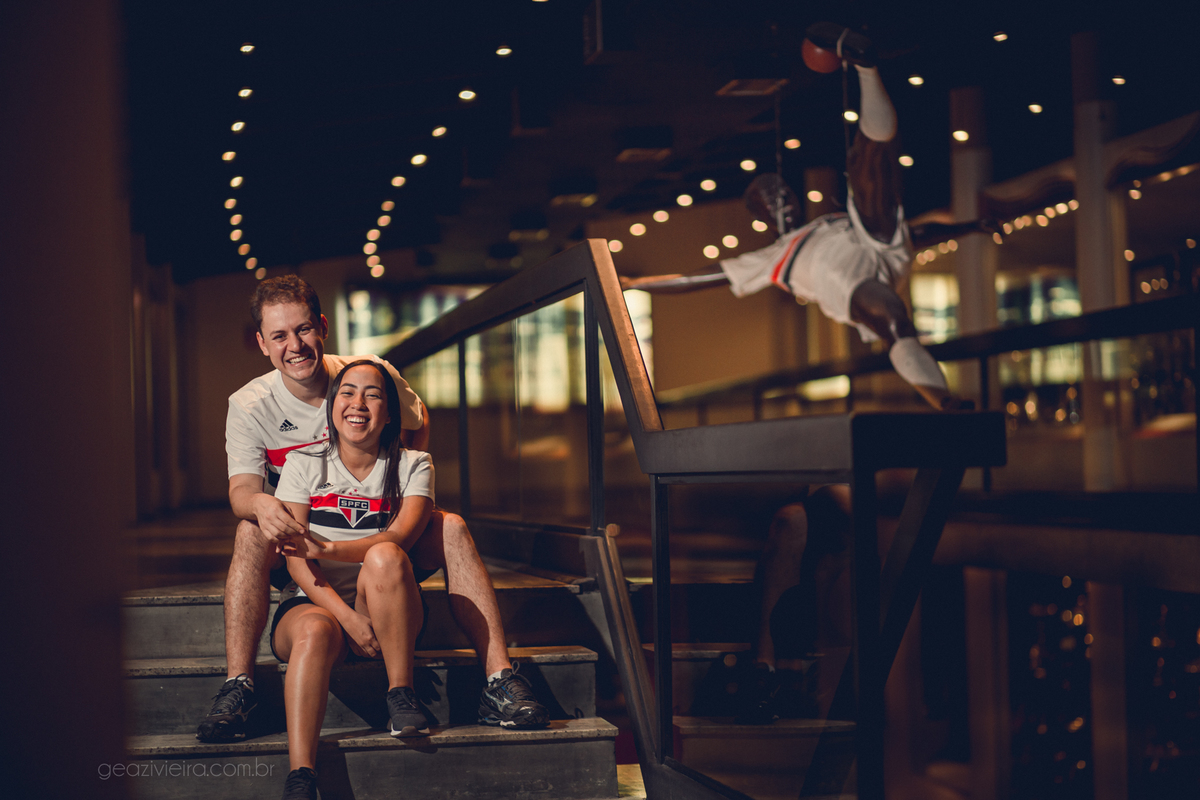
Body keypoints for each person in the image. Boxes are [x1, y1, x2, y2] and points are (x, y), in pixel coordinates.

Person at [196, 275, 547, 744]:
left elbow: (418, 421)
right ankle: (239, 686)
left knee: (452, 527)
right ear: (261, 342)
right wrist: (262, 502)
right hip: (307, 545)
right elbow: (241, 490)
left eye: (303, 330)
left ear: (322, 326)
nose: (294, 345)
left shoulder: (368, 374)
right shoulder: (249, 404)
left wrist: (401, 491)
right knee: (248, 530)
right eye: (279, 336)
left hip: (382, 543)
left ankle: (499, 679)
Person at [622, 22, 996, 412]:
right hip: (849, 282)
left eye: (782, 192)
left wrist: (967, 227)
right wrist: (635, 283)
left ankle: (866, 67)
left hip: (875, 241)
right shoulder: (773, 259)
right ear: (765, 217)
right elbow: (696, 279)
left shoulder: (825, 222)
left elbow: (916, 234)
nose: (783, 199)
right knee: (895, 323)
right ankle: (943, 399)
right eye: (772, 200)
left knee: (869, 168)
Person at [272, 360, 437, 799]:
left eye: (373, 394)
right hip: (317, 600)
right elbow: (296, 561)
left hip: (383, 599)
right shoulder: (302, 463)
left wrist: (326, 548)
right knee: (312, 631)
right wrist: (345, 618)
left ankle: (400, 694)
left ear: (389, 413)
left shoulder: (414, 464)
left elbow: (400, 537)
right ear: (332, 406)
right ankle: (302, 776)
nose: (357, 404)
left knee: (385, 553)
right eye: (347, 392)